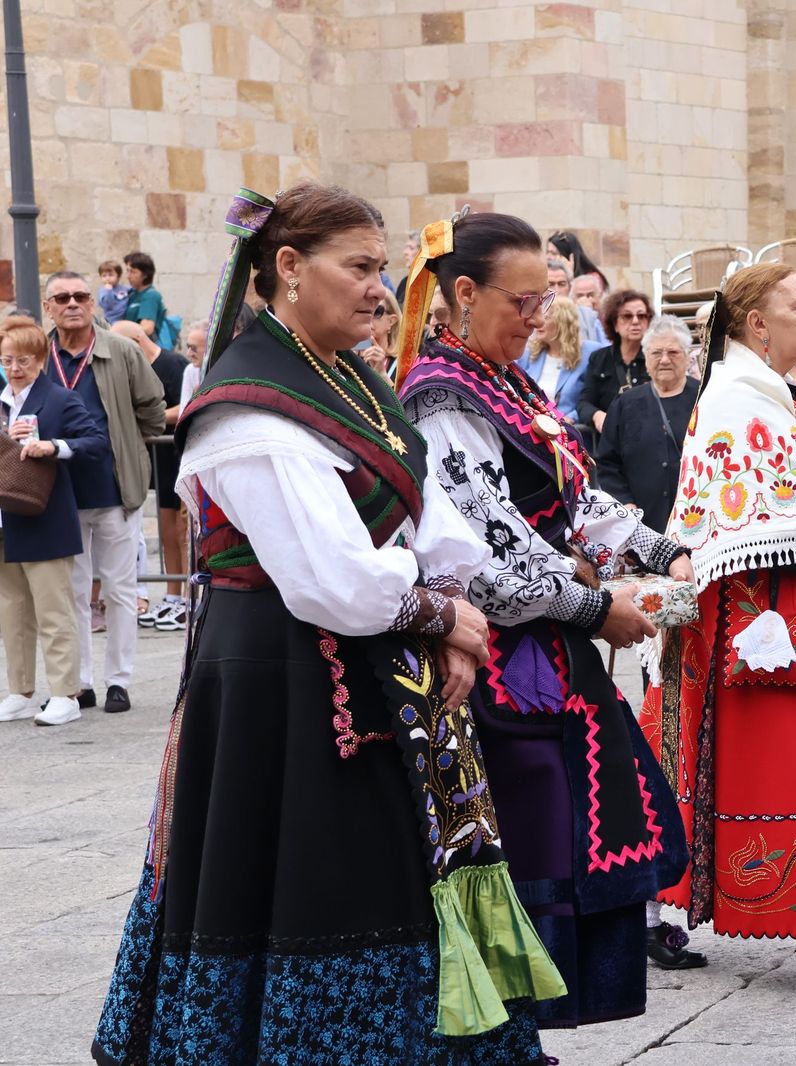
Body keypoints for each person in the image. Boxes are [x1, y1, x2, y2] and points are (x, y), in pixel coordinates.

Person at [93, 183, 562, 1065]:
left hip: (377, 675)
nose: (380, 290)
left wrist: (446, 606)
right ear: (289, 267)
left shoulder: (348, 379)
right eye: (360, 268)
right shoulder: (247, 406)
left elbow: (433, 517)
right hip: (284, 688)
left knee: (392, 871)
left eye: (382, 268)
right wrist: (444, 616)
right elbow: (330, 580)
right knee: (312, 881)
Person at [397, 210, 690, 1024]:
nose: (539, 318)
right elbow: (488, 552)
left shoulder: (505, 380)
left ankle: (526, 1031)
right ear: (464, 293)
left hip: (547, 648)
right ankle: (509, 1027)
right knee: (533, 831)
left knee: (575, 821)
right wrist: (596, 608)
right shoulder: (442, 397)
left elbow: (576, 499)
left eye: (547, 299)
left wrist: (664, 551)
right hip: (498, 661)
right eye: (524, 302)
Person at [641, 262, 796, 951]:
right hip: (757, 617)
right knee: (791, 758)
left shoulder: (782, 394)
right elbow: (750, 525)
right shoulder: (738, 398)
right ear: (756, 324)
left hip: (792, 610)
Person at [41, 270, 165, 714]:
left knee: (120, 590)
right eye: (62, 298)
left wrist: (130, 447)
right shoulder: (40, 355)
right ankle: (80, 682)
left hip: (115, 489)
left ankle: (119, 681)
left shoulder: (121, 349)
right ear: (48, 307)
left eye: (80, 296)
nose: (72, 304)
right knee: (73, 593)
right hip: (59, 494)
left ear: (93, 303)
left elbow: (151, 406)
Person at [0, 316, 108, 728]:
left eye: (23, 360)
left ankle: (65, 694)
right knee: (12, 612)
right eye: (7, 360)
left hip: (44, 516)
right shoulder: (1, 400)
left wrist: (53, 446)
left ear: (41, 359)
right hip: (5, 519)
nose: (14, 369)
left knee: (53, 610)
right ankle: (20, 691)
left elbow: (96, 442)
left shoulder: (60, 399)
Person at [109, 320, 190, 630]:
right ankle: (171, 594)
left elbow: (187, 404)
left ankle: (184, 597)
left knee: (181, 530)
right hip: (156, 460)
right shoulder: (131, 366)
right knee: (167, 529)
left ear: (136, 341)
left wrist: (148, 418)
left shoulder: (174, 364)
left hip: (176, 455)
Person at [596, 316, 696, 532]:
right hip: (642, 526)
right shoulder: (625, 404)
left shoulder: (704, 398)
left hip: (696, 522)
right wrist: (626, 505)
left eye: (673, 352)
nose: (665, 360)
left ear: (688, 357)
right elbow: (607, 463)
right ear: (646, 357)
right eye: (656, 353)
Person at [578, 289, 653, 435]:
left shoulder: (656, 357)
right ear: (614, 324)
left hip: (648, 435)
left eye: (642, 316)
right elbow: (584, 404)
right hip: (610, 439)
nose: (635, 321)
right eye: (627, 316)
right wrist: (597, 415)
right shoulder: (599, 358)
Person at [518, 296, 600, 422]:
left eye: (546, 317)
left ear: (563, 322)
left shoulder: (590, 352)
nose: (538, 322)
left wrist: (571, 419)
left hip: (570, 428)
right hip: (531, 424)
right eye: (536, 315)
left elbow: (593, 399)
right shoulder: (529, 353)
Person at [546, 258, 605, 345]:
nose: (557, 290)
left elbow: (604, 347)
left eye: (562, 284)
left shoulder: (586, 315)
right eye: (550, 284)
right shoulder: (535, 316)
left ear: (570, 287)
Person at [122, 251, 168, 341]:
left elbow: (147, 328)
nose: (128, 276)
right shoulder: (133, 294)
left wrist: (118, 332)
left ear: (145, 275)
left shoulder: (150, 295)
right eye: (127, 271)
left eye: (133, 272)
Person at [548, 230, 610, 294]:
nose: (548, 257)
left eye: (553, 253)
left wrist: (569, 275)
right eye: (547, 252)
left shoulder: (592, 278)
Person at [359, 287, 401, 379]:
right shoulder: (349, 355)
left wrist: (382, 375)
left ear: (391, 321)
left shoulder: (403, 364)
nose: (368, 316)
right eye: (364, 311)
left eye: (377, 312)